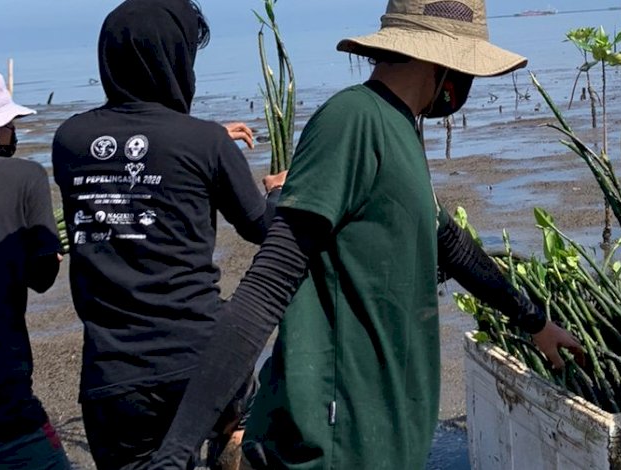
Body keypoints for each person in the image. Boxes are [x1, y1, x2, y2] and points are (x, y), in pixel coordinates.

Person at [147, 0, 584, 468]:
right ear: (442, 63)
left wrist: (535, 321)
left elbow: (450, 243)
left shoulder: (399, 127)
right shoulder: (352, 120)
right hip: (337, 439)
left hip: (384, 435)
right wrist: (176, 450)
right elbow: (267, 285)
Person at [50, 1, 285, 468]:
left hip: (113, 375)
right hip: (201, 363)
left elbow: (136, 163)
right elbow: (263, 228)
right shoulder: (204, 142)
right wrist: (277, 191)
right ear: (176, 59)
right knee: (244, 413)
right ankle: (232, 443)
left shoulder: (69, 140)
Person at [0, 70, 72, 470]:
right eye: (10, 125)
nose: (14, 134)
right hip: (3, 388)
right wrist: (51, 254)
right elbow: (41, 277)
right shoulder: (26, 177)